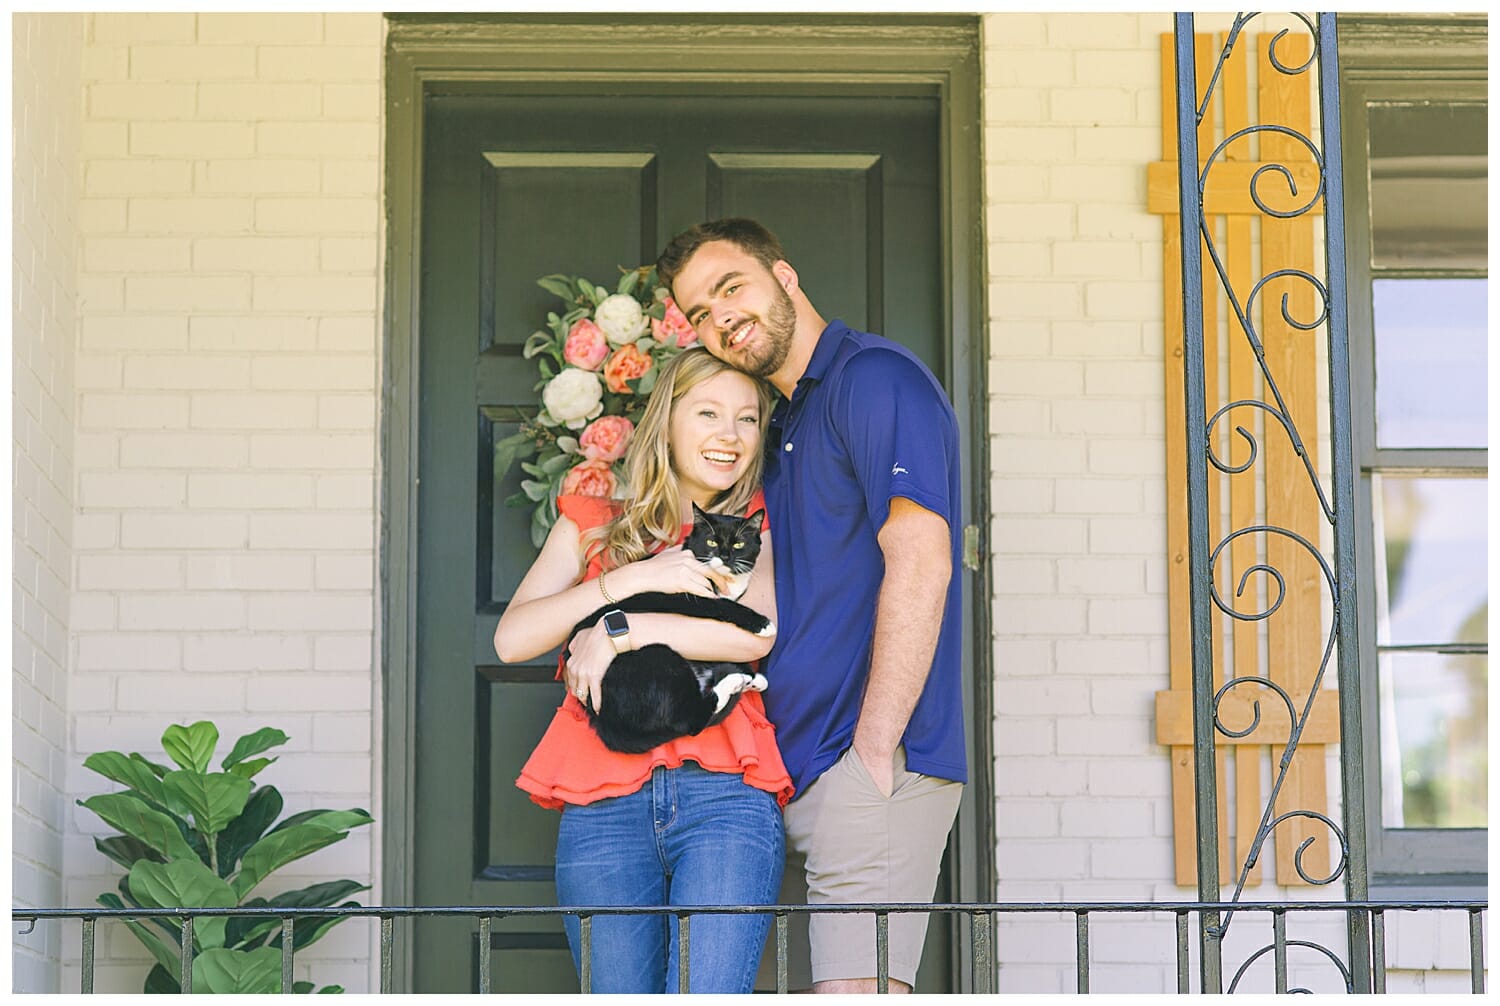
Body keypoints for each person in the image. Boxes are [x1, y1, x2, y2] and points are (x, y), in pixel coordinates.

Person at [657, 218, 967, 994]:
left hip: (863, 765)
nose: (721, 319)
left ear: (784, 276)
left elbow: (922, 560)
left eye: (732, 288)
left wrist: (873, 751)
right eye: (699, 312)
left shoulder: (875, 380)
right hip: (782, 769)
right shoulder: (779, 419)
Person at [493, 347, 792, 994]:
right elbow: (513, 638)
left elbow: (756, 634)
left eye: (747, 419)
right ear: (667, 421)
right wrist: (627, 581)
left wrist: (620, 631)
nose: (729, 435)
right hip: (600, 801)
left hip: (723, 796)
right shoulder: (594, 521)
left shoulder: (757, 521)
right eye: (709, 412)